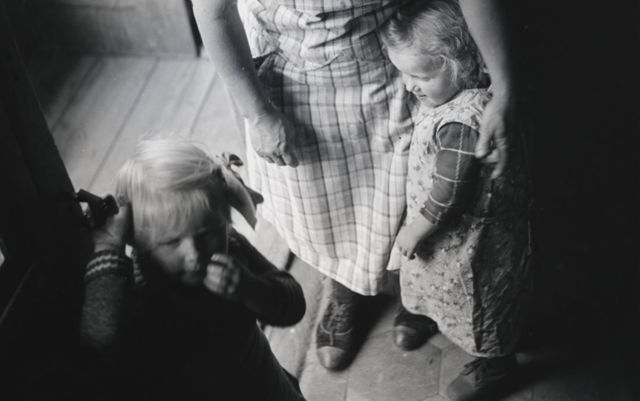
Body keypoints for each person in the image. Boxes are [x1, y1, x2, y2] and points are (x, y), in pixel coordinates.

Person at [191, 0, 518, 370]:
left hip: (391, 57)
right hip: (296, 69)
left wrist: (504, 88)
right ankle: (344, 289)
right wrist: (259, 113)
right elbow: (212, 10)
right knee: (320, 203)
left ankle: (417, 295)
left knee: (411, 191)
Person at [381, 1, 532, 399]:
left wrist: (415, 229)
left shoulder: (462, 122)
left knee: (481, 299)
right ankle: (436, 316)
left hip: (464, 236)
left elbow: (449, 194)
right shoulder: (445, 100)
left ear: (462, 64)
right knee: (443, 285)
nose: (410, 86)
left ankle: (496, 365)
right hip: (449, 236)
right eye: (403, 74)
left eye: (421, 76)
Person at [80, 138, 306, 401]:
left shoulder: (232, 249)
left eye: (206, 234)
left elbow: (294, 305)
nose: (194, 255)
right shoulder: (137, 291)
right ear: (134, 239)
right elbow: (102, 337)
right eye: (172, 242)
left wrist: (252, 289)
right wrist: (109, 246)